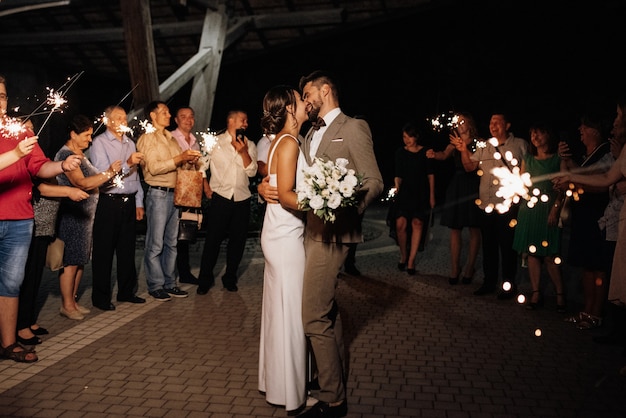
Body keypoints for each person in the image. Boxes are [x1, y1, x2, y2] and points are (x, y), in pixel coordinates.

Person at [260, 70, 383, 418]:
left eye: (308, 92)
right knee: (325, 309)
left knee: (312, 314)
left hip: (332, 233)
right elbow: (286, 178)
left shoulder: (354, 126)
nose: (305, 99)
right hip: (304, 233)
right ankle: (333, 378)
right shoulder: (307, 132)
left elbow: (374, 180)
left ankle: (332, 397)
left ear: (325, 90)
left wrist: (345, 207)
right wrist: (264, 188)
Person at [0, 75, 81, 362]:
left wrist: (61, 164)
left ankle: (9, 344)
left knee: (11, 283)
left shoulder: (20, 131)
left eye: (3, 96)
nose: (0, 102)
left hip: (20, 219)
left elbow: (39, 166)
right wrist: (14, 154)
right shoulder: (15, 142)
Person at [257, 85, 309, 414]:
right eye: (300, 99)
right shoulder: (288, 142)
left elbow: (276, 186)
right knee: (291, 316)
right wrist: (327, 199)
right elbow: (288, 195)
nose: (306, 103)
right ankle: (293, 396)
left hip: (278, 233)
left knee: (279, 313)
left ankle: (276, 385)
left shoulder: (279, 141)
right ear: (290, 108)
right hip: (286, 237)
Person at [17, 118, 89, 345]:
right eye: (24, 128)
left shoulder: (34, 153)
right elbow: (40, 187)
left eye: (31, 128)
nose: (29, 132)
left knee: (36, 274)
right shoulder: (18, 158)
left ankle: (28, 320)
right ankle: (20, 326)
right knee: (25, 277)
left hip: (44, 224)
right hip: (32, 221)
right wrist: (68, 192)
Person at [55, 114, 122, 320]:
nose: (90, 140)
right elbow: (81, 183)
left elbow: (94, 181)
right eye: (86, 135)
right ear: (73, 134)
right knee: (71, 261)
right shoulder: (66, 156)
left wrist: (109, 179)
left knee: (80, 260)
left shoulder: (81, 155)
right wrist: (109, 172)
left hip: (87, 216)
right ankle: (66, 305)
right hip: (73, 214)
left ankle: (73, 302)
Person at [457, 111, 528, 298]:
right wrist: (463, 149)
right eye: (491, 122)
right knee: (488, 246)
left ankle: (508, 286)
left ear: (507, 125)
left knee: (507, 246)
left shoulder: (520, 145)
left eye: (497, 122)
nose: (493, 125)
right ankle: (489, 283)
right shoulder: (485, 146)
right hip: (486, 205)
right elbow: (470, 167)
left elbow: (526, 173)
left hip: (507, 205)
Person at [136, 101, 202, 301]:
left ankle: (170, 283)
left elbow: (178, 168)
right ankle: (155, 285)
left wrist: (189, 162)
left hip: (175, 194)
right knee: (155, 244)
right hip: (158, 193)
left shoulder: (171, 139)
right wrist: (179, 159)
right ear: (153, 116)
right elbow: (154, 168)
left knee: (171, 243)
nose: (168, 114)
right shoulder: (148, 139)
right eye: (164, 112)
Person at [556, 113, 612, 329]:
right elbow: (573, 174)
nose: (580, 130)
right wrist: (565, 161)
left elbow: (599, 182)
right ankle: (586, 310)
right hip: (582, 214)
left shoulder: (607, 153)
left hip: (598, 217)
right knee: (586, 266)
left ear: (595, 130)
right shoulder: (583, 154)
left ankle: (596, 314)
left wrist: (572, 182)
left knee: (597, 267)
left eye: (584, 126)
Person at [90, 105, 145, 311]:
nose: (124, 120)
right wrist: (128, 164)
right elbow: (104, 176)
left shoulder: (130, 143)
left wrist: (139, 201)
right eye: (119, 117)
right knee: (104, 250)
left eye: (125, 117)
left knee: (127, 249)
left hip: (129, 201)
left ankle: (126, 292)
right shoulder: (99, 143)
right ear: (108, 121)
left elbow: (136, 176)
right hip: (109, 201)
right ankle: (101, 298)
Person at [196, 110, 257, 294]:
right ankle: (204, 280)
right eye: (243, 120)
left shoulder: (250, 144)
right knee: (213, 240)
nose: (246, 123)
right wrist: (206, 187)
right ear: (231, 120)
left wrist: (244, 152)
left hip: (242, 198)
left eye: (246, 120)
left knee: (237, 241)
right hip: (220, 197)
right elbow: (201, 166)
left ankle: (230, 278)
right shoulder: (214, 142)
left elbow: (252, 172)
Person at [511, 122, 566, 312]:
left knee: (550, 254)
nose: (535, 136)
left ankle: (560, 294)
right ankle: (536, 293)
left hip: (548, 208)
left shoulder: (558, 159)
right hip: (529, 209)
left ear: (549, 135)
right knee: (533, 253)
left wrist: (555, 208)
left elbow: (564, 188)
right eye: (532, 133)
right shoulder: (528, 158)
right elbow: (523, 183)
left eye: (539, 132)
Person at [426, 111, 481, 284]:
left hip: (473, 185)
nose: (459, 124)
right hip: (457, 185)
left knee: (474, 228)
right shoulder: (454, 140)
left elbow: (472, 166)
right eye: (456, 122)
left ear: (470, 123)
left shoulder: (479, 143)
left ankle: (470, 267)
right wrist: (435, 155)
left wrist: (462, 147)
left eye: (462, 121)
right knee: (455, 229)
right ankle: (454, 268)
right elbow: (444, 154)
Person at [170, 106, 207, 285]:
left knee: (185, 231)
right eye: (183, 116)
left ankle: (184, 272)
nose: (188, 120)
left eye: (191, 116)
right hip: (174, 189)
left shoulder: (194, 141)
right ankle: (170, 274)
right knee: (171, 235)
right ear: (176, 120)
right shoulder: (171, 138)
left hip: (189, 191)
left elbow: (199, 167)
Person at [393, 121, 435, 276]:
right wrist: (396, 186)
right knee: (400, 224)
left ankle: (411, 260)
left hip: (421, 192)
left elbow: (431, 175)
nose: (407, 140)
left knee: (417, 223)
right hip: (405, 192)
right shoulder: (400, 152)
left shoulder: (425, 152)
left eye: (409, 137)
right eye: (404, 137)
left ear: (416, 137)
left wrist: (432, 196)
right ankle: (403, 255)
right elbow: (398, 174)